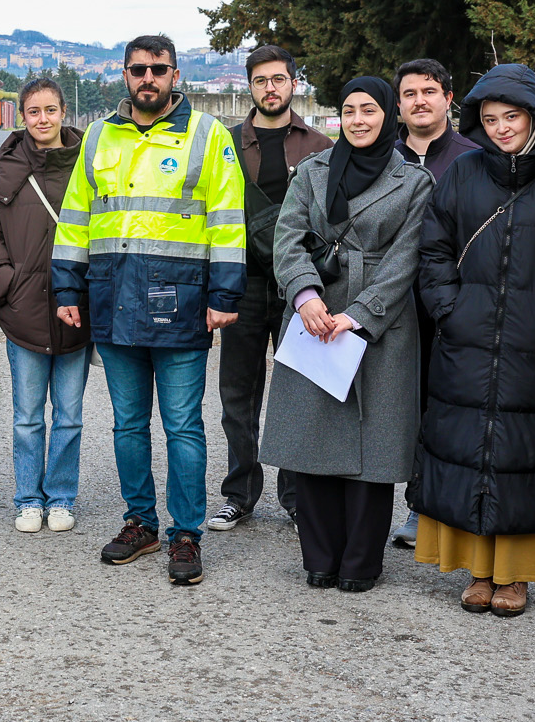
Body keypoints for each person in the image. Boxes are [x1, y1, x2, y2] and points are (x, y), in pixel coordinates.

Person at [53, 34, 247, 586]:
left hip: (181, 301)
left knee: (184, 426)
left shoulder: (208, 135)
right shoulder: (98, 136)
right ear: (124, 74)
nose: (148, 78)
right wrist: (67, 290)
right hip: (113, 299)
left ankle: (186, 535)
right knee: (128, 426)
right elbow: (75, 218)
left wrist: (224, 296)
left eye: (158, 69)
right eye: (138, 69)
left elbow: (229, 219)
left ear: (175, 74)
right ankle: (140, 523)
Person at [257, 77, 430, 591]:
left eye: (369, 110)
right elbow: (286, 238)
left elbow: (407, 258)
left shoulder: (415, 181)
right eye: (349, 110)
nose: (358, 120)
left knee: (373, 453)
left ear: (388, 117)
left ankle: (360, 563)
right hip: (313, 319)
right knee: (312, 442)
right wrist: (306, 297)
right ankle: (319, 558)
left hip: (379, 324)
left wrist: (359, 314)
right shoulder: (310, 173)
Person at [413, 65, 535, 616]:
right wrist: (449, 309)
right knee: (469, 444)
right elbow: (433, 249)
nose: (501, 128)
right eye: (490, 119)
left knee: (523, 452)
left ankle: (517, 576)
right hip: (467, 333)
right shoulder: (462, 174)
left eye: (512, 117)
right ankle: (479, 569)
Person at [207, 44, 332, 532]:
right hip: (240, 283)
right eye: (261, 81)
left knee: (298, 393)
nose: (270, 88)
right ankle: (239, 492)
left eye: (279, 79)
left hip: (299, 287)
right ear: (250, 86)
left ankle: (298, 497)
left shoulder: (321, 145)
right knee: (237, 395)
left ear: (293, 83)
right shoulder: (226, 144)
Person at [0, 77, 90, 533]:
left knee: (69, 415)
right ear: (22, 117)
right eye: (33, 112)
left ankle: (60, 495)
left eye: (50, 111)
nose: (42, 120)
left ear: (64, 112)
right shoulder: (3, 170)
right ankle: (28, 497)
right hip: (22, 310)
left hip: (77, 309)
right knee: (27, 416)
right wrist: (6, 287)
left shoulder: (90, 164)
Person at [387, 58, 483, 549]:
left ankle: (424, 509)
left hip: (449, 304)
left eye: (429, 90)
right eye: (409, 94)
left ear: (449, 98)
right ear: (398, 105)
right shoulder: (381, 156)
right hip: (389, 303)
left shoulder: (472, 157)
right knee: (392, 404)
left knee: (440, 408)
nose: (419, 100)